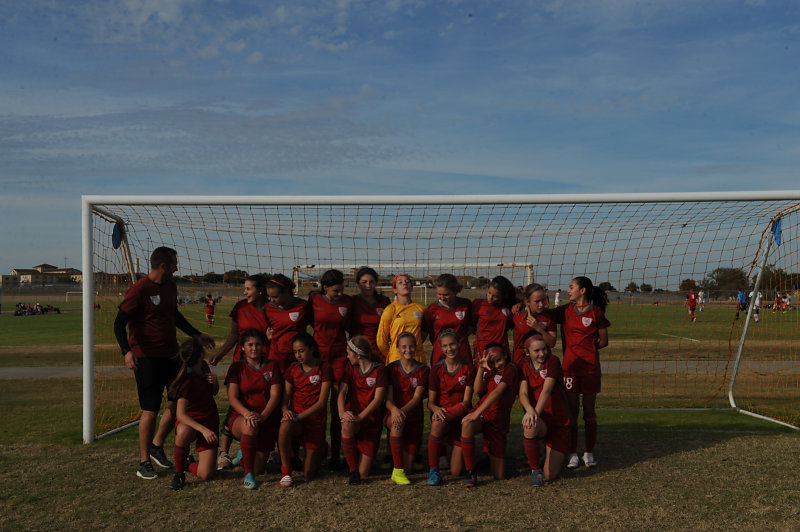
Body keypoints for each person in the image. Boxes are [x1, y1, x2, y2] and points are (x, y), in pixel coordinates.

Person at [113, 246, 215, 480]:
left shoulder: (171, 286)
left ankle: (157, 445)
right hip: (146, 358)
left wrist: (196, 335)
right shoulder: (139, 290)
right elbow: (119, 323)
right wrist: (127, 352)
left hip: (171, 356)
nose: (177, 268)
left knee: (178, 402)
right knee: (150, 409)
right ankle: (144, 462)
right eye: (174, 264)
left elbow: (174, 315)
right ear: (163, 266)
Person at [209, 274, 270, 470]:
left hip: (264, 367)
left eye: (248, 289)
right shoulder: (240, 307)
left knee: (263, 404)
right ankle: (224, 453)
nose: (244, 292)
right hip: (240, 365)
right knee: (235, 405)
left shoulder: (272, 309)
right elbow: (234, 335)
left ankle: (256, 449)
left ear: (261, 291)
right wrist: (220, 354)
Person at [552, 276, 610, 469]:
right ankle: (572, 453)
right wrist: (522, 303)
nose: (568, 291)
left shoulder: (596, 312)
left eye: (571, 287)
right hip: (569, 369)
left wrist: (588, 350)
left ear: (582, 290)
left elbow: (604, 341)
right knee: (572, 413)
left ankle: (588, 452)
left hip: (590, 369)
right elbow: (544, 314)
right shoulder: (565, 311)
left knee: (589, 412)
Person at [224, 329, 283, 490]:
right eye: (250, 345)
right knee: (250, 425)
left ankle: (243, 456)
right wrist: (247, 413)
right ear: (243, 347)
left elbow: (275, 395)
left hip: (266, 418)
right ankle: (248, 474)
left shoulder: (272, 366)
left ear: (263, 346)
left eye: (257, 344)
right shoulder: (236, 367)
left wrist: (263, 415)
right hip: (242, 416)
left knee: (260, 469)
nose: (254, 348)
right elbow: (232, 398)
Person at [308, 269, 353, 470]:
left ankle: (336, 455)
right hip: (318, 359)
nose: (340, 293)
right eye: (336, 290)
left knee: (337, 407)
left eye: (342, 289)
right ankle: (316, 450)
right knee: (315, 406)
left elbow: (353, 326)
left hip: (339, 359)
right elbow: (307, 321)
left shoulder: (348, 302)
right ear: (325, 287)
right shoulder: (314, 300)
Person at [460, 343, 519, 487]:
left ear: (505, 355)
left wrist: (476, 413)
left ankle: (489, 456)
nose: (497, 365)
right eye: (493, 362)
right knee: (467, 424)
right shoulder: (489, 370)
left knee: (499, 475)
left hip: (497, 422)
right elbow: (478, 389)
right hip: (483, 415)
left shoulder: (510, 368)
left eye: (499, 360)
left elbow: (498, 392)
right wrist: (481, 369)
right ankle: (471, 472)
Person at [278, 332, 333, 487]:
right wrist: (286, 412)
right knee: (284, 426)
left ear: (312, 349)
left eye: (301, 351)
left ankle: (322, 448)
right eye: (295, 352)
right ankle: (286, 472)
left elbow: (322, 403)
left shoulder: (324, 367)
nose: (298, 355)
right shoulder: (292, 369)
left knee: (309, 474)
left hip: (314, 420)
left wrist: (298, 417)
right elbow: (284, 402)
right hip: (297, 420)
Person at [518, 333, 571, 487]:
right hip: (542, 420)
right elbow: (522, 393)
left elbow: (546, 390)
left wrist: (534, 414)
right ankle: (535, 471)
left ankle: (550, 455)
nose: (542, 353)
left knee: (550, 475)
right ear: (527, 352)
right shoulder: (524, 365)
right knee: (530, 425)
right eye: (537, 351)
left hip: (559, 423)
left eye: (544, 349)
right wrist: (530, 410)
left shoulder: (553, 361)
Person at [168, 337, 219, 490]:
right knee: (184, 431)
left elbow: (214, 392)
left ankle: (189, 464)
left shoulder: (204, 367)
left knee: (206, 474)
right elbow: (181, 415)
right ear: (201, 354)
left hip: (209, 420)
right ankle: (179, 473)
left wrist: (215, 383)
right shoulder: (187, 380)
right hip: (192, 423)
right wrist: (203, 430)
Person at [426, 330, 474, 486]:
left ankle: (464, 451)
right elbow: (430, 403)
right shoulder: (436, 369)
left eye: (452, 344)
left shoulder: (468, 367)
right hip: (443, 416)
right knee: (437, 421)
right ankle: (433, 471)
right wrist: (436, 410)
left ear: (459, 344)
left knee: (456, 471)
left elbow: (466, 402)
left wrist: (446, 414)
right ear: (441, 348)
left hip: (461, 416)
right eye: (445, 346)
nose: (449, 349)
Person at [338, 335, 388, 485]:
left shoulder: (380, 370)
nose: (347, 356)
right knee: (346, 424)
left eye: (349, 353)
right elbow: (342, 392)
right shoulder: (350, 367)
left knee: (364, 473)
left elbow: (378, 400)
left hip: (371, 422)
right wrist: (342, 414)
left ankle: (359, 458)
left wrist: (360, 417)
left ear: (358, 355)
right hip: (354, 419)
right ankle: (353, 471)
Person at [384, 333, 430, 485]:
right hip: (394, 416)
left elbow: (417, 398)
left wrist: (400, 411)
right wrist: (395, 411)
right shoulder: (391, 369)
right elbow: (387, 400)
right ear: (397, 348)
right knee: (397, 422)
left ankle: (400, 465)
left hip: (414, 419)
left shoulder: (423, 370)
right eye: (403, 347)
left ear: (416, 347)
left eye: (411, 346)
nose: (407, 350)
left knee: (409, 468)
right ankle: (397, 471)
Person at [264, 274, 311, 372]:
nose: (271, 300)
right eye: (269, 297)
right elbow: (267, 327)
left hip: (298, 356)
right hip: (277, 357)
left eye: (275, 297)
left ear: (286, 292)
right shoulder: (268, 308)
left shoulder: (302, 306)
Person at [423, 273, 473, 366]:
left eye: (446, 295)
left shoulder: (466, 304)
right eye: (439, 294)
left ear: (455, 291)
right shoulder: (431, 309)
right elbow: (425, 333)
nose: (442, 298)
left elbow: (471, 328)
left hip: (462, 353)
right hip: (440, 355)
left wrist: (459, 339)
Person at [377, 274, 427, 364]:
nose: (404, 284)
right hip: (397, 358)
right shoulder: (390, 309)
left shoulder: (420, 309)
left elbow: (423, 334)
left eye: (407, 282)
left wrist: (414, 345)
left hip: (417, 358)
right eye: (400, 282)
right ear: (395, 290)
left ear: (412, 287)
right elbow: (381, 340)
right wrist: (392, 352)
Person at [471, 275, 516, 365]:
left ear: (503, 296)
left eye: (495, 296)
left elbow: (511, 325)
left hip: (502, 350)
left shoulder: (509, 306)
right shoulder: (478, 304)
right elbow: (472, 325)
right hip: (482, 350)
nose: (490, 297)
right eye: (489, 292)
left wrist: (519, 302)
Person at [511, 283, 557, 367]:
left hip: (541, 362)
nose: (541, 304)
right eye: (537, 301)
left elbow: (552, 343)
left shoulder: (549, 315)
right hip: (521, 362)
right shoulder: (517, 313)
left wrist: (538, 328)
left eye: (543, 300)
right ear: (527, 301)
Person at [350, 267, 391, 353]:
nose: (368, 285)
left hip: (380, 349)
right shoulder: (352, 301)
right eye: (364, 282)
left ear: (376, 283)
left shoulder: (384, 302)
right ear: (358, 284)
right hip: (358, 350)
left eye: (371, 282)